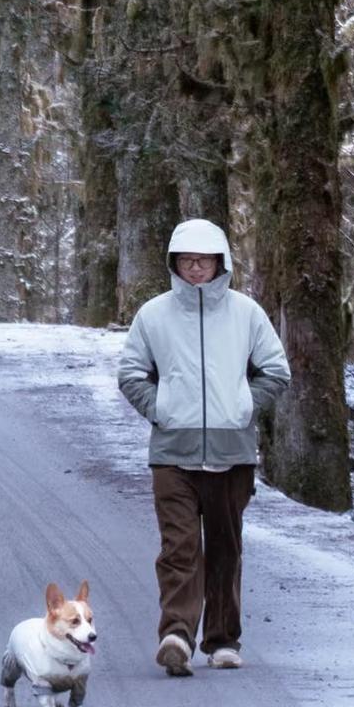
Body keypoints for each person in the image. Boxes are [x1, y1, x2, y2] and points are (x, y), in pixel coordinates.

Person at [117, 217, 290, 675]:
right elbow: (131, 373)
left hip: (232, 454)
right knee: (178, 548)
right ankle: (176, 634)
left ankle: (221, 640)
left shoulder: (246, 313)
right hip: (172, 452)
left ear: (221, 263)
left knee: (225, 547)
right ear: (175, 264)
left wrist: (242, 407)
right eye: (187, 261)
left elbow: (276, 370)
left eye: (204, 260)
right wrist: (162, 410)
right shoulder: (153, 314)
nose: (196, 269)